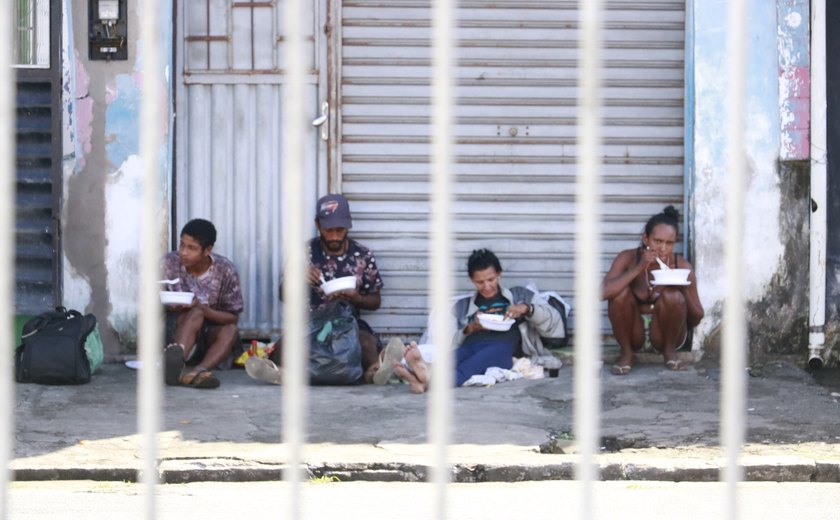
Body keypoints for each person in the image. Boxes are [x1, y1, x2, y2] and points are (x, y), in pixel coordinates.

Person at [246, 193, 384, 385]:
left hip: (347, 322)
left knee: (367, 343)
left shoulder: (362, 255)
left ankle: (374, 371)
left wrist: (357, 298)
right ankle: (282, 373)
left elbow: (375, 301)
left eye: (340, 230)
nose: (335, 236)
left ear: (348, 225)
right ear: (318, 225)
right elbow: (283, 295)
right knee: (287, 346)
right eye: (329, 230)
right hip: (309, 322)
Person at [601, 205, 704, 375]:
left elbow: (696, 318)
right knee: (619, 295)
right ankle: (627, 352)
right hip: (634, 334)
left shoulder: (681, 267)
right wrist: (638, 269)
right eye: (657, 241)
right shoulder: (628, 258)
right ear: (645, 238)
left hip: (666, 336)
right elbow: (603, 293)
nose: (663, 248)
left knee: (673, 296)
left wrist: (683, 289)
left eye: (669, 243)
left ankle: (670, 352)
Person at [161, 218, 244, 389]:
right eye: (182, 245)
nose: (183, 252)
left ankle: (197, 372)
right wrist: (170, 305)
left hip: (209, 338)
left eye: (191, 248)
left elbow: (232, 318)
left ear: (208, 250)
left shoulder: (225, 270)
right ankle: (176, 365)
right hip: (175, 334)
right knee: (194, 314)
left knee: (230, 330)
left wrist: (201, 308)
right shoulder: (168, 264)